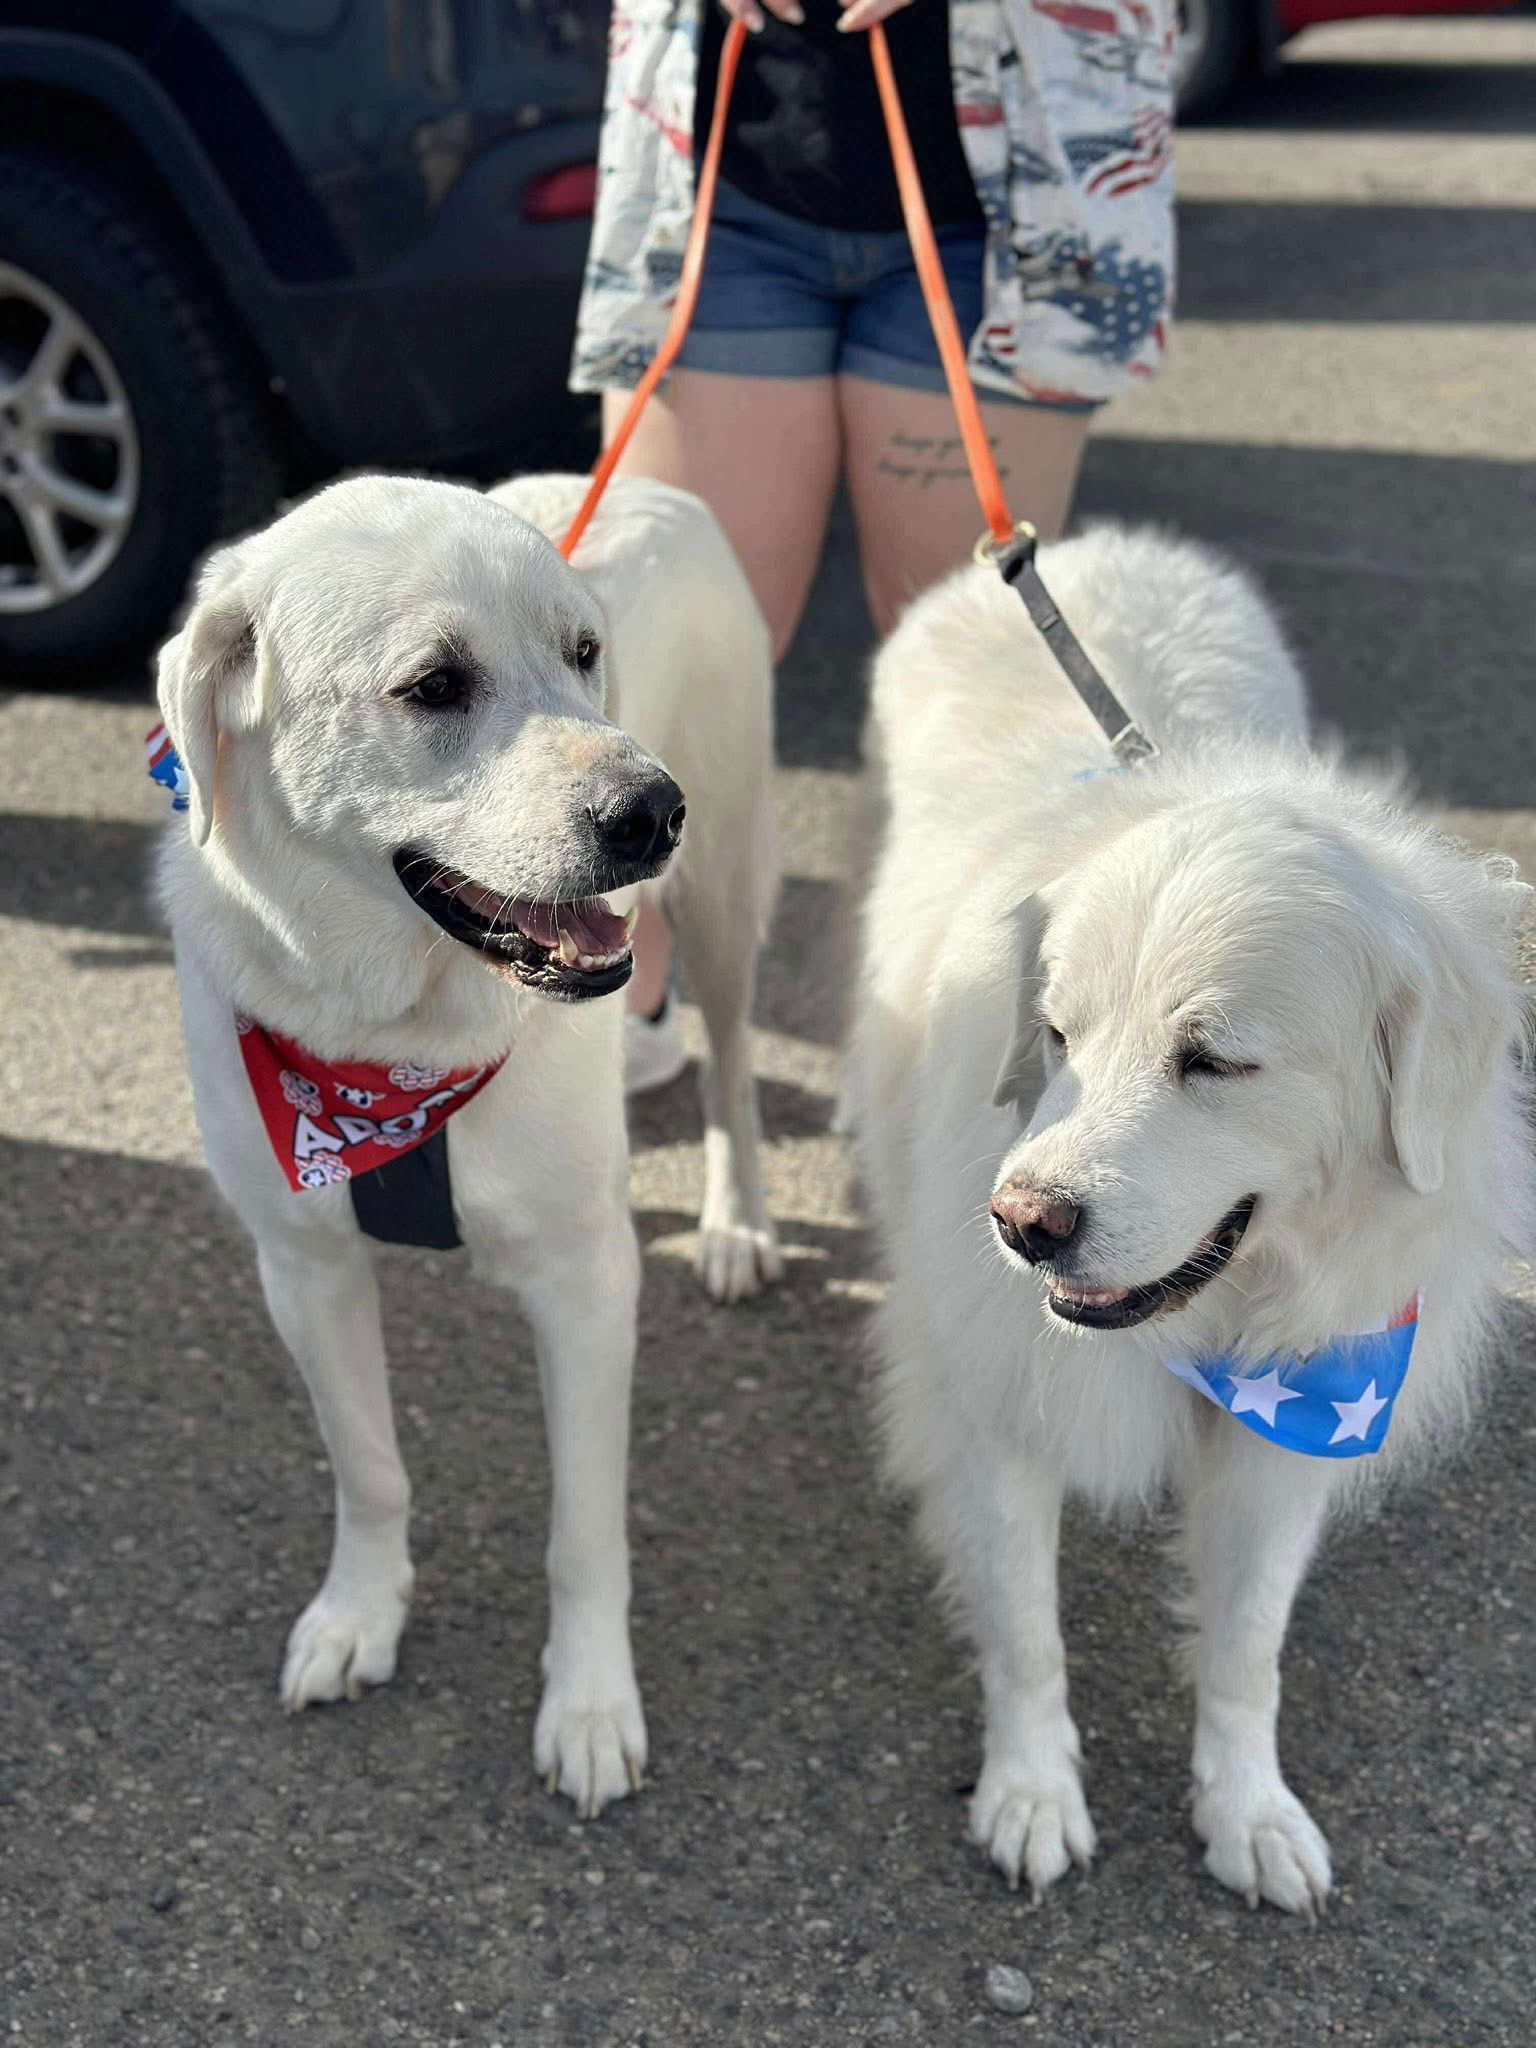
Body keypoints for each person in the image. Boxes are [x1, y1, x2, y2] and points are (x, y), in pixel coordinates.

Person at [571, 0, 1176, 1089]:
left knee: (975, 679)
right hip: (722, 175)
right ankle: (609, 1007)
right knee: (652, 649)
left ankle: (956, 1048)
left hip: (1015, 199)